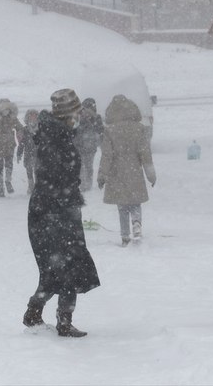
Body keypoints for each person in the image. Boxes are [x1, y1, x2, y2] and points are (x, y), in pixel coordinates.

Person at [23, 89, 100, 338]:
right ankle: (64, 321)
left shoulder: (56, 135)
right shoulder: (56, 139)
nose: (79, 117)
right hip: (54, 213)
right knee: (69, 267)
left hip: (51, 210)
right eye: (76, 112)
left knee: (56, 267)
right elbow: (57, 179)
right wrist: (67, 200)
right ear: (68, 114)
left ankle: (35, 312)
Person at [97, 94, 156, 246]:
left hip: (117, 173)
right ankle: (136, 222)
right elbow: (145, 154)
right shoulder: (139, 129)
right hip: (134, 171)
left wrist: (102, 175)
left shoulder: (110, 130)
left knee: (122, 206)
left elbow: (107, 155)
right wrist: (151, 175)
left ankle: (125, 236)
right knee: (135, 202)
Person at [74, 98, 104, 192]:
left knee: (88, 166)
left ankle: (88, 184)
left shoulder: (97, 117)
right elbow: (75, 130)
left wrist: (92, 120)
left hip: (91, 147)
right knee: (81, 166)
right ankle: (83, 185)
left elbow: (100, 130)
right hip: (80, 146)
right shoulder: (78, 117)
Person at [17, 109, 40, 195]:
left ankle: (38, 187)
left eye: (35, 115)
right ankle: (31, 187)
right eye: (31, 115)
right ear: (27, 117)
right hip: (28, 154)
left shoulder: (41, 129)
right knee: (29, 171)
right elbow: (22, 143)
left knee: (37, 171)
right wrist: (19, 153)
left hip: (38, 154)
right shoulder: (25, 130)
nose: (33, 117)